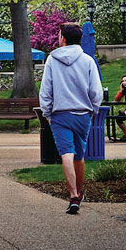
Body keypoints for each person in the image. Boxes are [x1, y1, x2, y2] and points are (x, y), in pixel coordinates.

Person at [39, 22, 103, 215]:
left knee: (66, 153)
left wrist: (47, 112)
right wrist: (93, 109)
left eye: (59, 35)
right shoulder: (87, 60)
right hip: (83, 114)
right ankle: (79, 192)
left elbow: (46, 90)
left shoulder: (52, 60)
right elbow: (96, 91)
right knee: (79, 155)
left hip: (60, 113)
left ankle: (73, 194)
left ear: (63, 39)